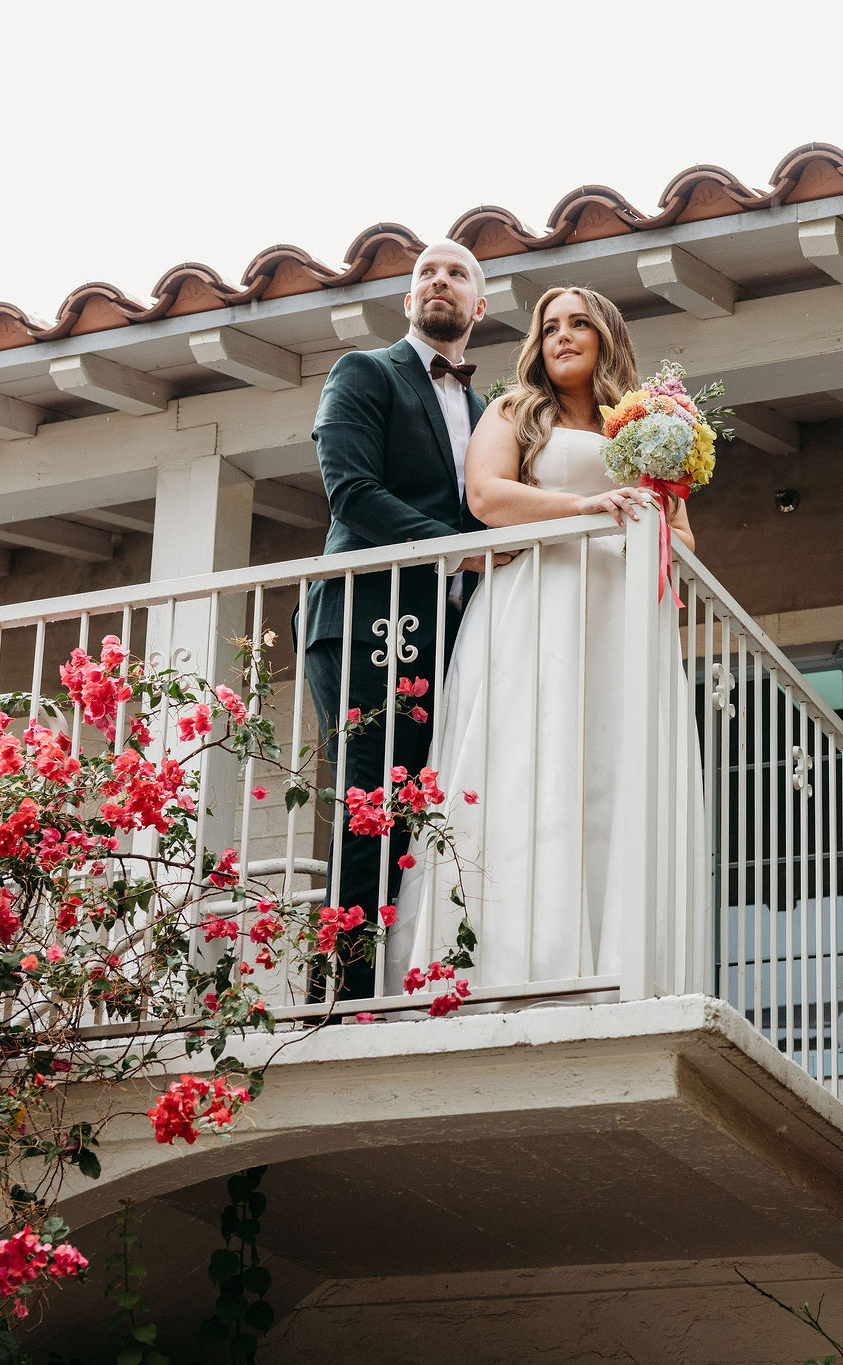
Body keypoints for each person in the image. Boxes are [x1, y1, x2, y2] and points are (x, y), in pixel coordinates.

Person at [393, 286, 707, 998]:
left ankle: (617, 969)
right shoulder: (513, 411)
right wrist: (586, 508)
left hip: (618, 615)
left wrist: (650, 522)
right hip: (534, 603)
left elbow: (682, 536)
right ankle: (503, 969)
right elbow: (485, 497)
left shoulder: (643, 426)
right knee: (526, 763)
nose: (563, 336)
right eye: (550, 326)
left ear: (606, 338)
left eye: (579, 324)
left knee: (609, 772)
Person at [302, 238, 499, 1002]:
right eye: (426, 274)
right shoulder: (365, 371)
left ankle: (398, 978)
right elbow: (350, 491)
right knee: (371, 800)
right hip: (364, 621)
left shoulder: (486, 411)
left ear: (479, 307)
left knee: (424, 804)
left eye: (457, 273)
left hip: (445, 636)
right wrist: (462, 552)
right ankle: (343, 996)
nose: (439, 281)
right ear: (408, 302)